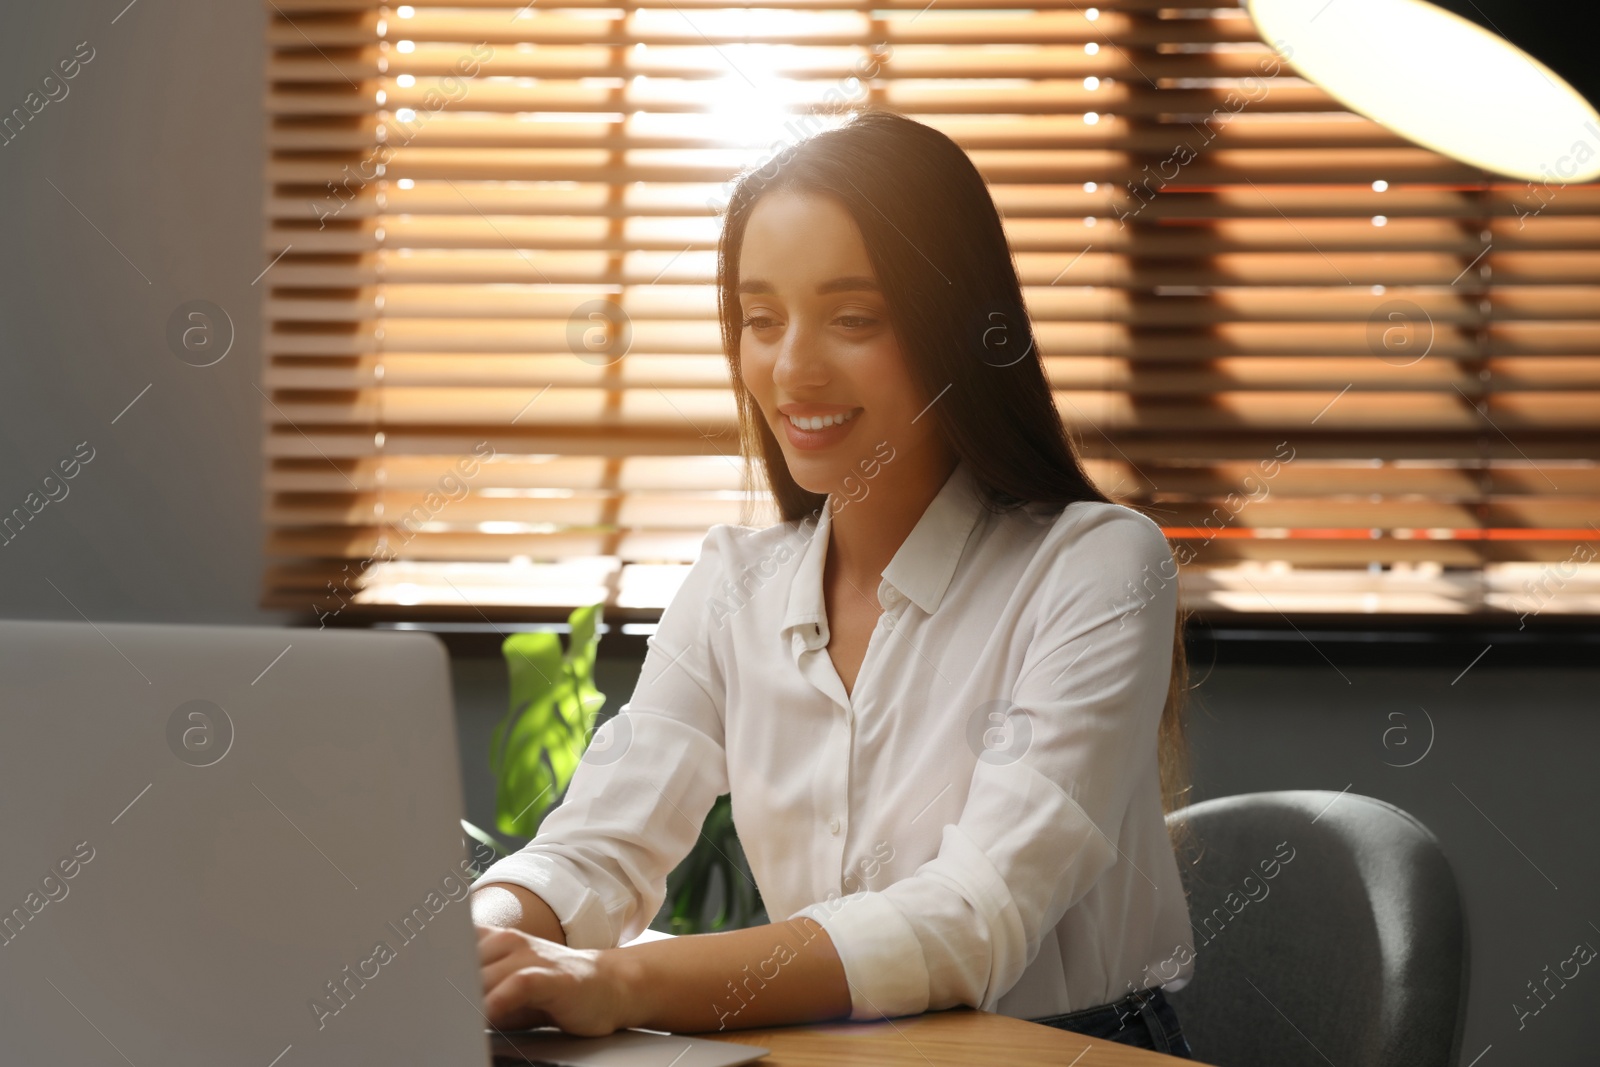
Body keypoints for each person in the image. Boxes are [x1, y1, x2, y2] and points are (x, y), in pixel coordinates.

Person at [468, 107, 1196, 1058]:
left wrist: (620, 979)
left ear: (957, 330)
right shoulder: (736, 581)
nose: (792, 367)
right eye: (761, 319)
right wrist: (493, 929)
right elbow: (597, 845)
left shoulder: (1098, 565)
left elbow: (974, 917)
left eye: (853, 318)